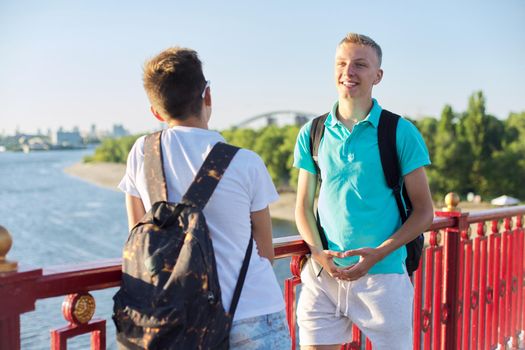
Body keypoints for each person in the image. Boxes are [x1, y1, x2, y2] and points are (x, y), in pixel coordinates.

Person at [118, 47, 291, 349]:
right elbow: (266, 250)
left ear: (156, 112)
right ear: (208, 96)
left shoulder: (142, 153)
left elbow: (138, 235)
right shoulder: (246, 162)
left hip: (177, 320)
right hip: (252, 310)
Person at [293, 33, 434, 349]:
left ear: (377, 75)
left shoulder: (400, 132)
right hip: (323, 275)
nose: (348, 72)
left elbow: (425, 212)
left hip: (383, 275)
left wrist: (379, 254)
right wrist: (318, 255)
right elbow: (302, 206)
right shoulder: (312, 132)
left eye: (360, 64)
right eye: (341, 63)